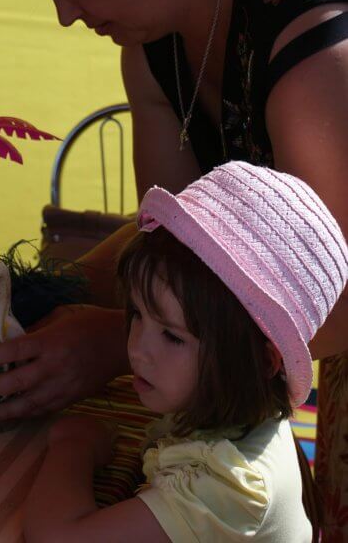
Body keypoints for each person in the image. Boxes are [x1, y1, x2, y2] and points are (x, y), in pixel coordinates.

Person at [0, 0, 348, 535]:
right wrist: (49, 300)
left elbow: (332, 304)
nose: (65, 14)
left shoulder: (318, 48)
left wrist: (121, 340)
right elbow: (177, 244)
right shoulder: (151, 46)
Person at [21, 161, 348, 542]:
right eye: (136, 314)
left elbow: (57, 537)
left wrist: (74, 444)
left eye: (172, 337)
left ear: (263, 360)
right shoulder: (235, 410)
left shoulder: (229, 485)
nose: (137, 350)